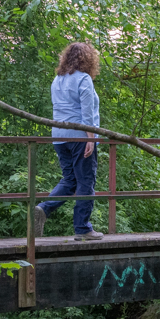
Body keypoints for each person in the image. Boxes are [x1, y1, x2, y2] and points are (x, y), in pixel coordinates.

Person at [34, 42, 103, 241]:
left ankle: (43, 209)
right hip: (79, 136)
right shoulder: (84, 79)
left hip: (59, 136)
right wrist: (91, 138)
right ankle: (82, 228)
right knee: (85, 181)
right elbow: (87, 112)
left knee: (70, 180)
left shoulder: (57, 79)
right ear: (88, 59)